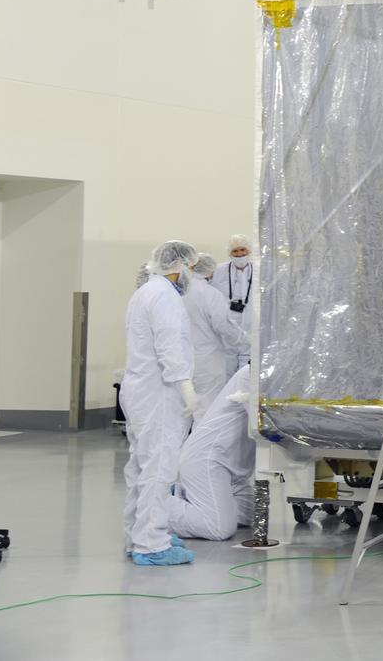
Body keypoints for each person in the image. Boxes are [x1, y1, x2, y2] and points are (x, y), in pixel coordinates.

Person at [123, 240, 200, 566]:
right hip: (160, 394)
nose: (191, 275)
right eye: (191, 268)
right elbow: (169, 346)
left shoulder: (145, 291)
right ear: (179, 265)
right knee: (158, 469)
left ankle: (137, 535)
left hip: (140, 391)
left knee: (140, 467)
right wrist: (186, 387)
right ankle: (151, 544)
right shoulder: (165, 296)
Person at [168, 366, 255, 541]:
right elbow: (265, 425)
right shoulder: (250, 375)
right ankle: (153, 505)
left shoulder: (275, 375)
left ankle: (191, 497)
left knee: (250, 514)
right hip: (209, 460)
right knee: (219, 528)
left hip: (232, 467)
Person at [184, 254, 247, 421]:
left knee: (188, 408)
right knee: (207, 409)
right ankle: (202, 439)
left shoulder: (180, 292)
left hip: (184, 358)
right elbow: (223, 325)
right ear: (210, 271)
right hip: (208, 360)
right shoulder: (210, 294)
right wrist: (243, 339)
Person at [211, 234, 254, 371]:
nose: (239, 254)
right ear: (229, 253)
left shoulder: (259, 270)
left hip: (252, 327)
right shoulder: (218, 271)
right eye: (235, 251)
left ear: (249, 250)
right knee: (227, 368)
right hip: (227, 329)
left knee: (247, 371)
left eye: (242, 249)